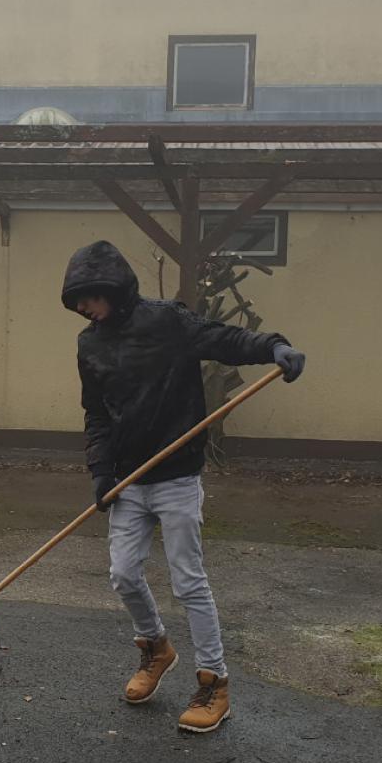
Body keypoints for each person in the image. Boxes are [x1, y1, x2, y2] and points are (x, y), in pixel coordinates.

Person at [61, 240, 306, 734]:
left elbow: (223, 339)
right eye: (76, 300)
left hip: (176, 477)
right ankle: (156, 648)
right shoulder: (90, 345)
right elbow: (96, 414)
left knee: (188, 581)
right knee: (123, 574)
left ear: (112, 287)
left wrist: (274, 347)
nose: (83, 307)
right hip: (128, 480)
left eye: (89, 296)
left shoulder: (167, 321)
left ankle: (214, 682)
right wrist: (101, 472)